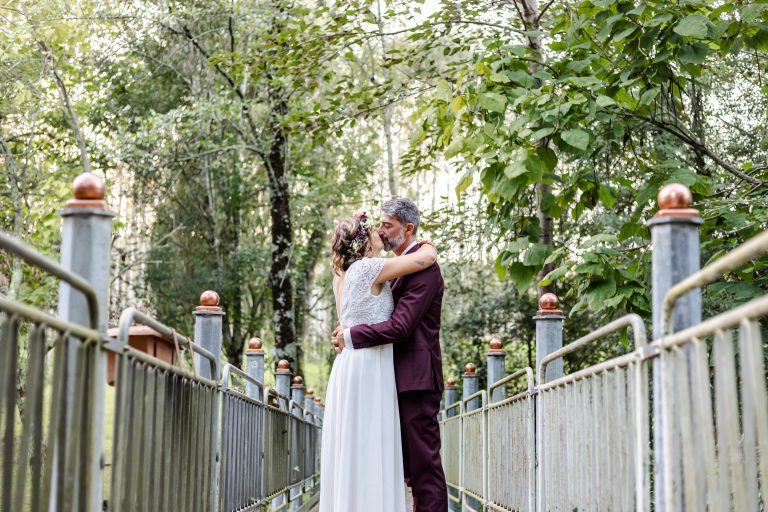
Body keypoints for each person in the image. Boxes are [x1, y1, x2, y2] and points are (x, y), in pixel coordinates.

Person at [332, 198, 448, 512]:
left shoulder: (424, 269)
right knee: (404, 466)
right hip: (386, 377)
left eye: (387, 225)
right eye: (378, 225)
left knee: (424, 467)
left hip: (415, 379)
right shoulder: (388, 267)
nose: (381, 231)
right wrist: (349, 329)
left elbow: (401, 326)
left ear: (408, 228)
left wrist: (351, 335)